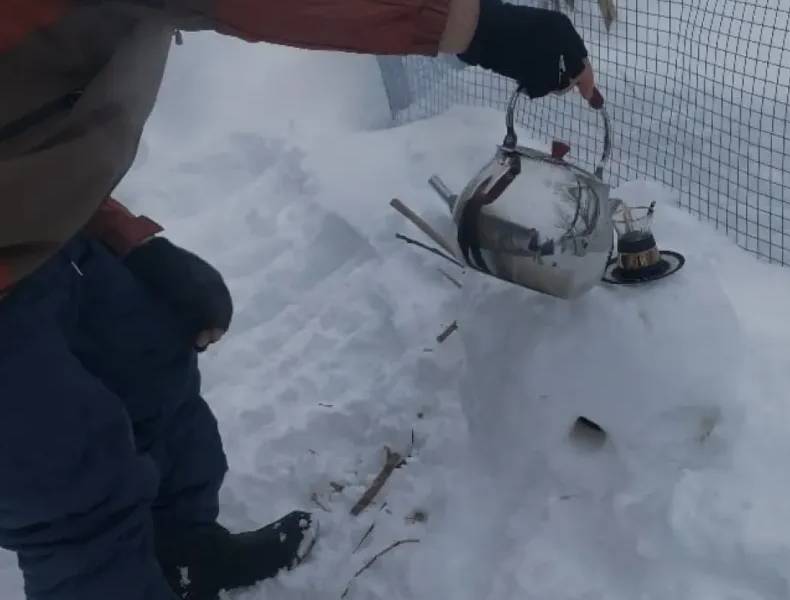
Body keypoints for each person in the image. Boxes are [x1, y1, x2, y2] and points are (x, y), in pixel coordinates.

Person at [0, 1, 599, 599]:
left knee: (151, 365)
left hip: (43, 238)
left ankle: (183, 554)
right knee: (72, 489)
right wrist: (476, 27)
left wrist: (123, 239)